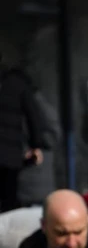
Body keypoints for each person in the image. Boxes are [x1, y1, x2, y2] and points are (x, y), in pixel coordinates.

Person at [0, 56, 49, 212]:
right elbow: (34, 116)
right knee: (9, 198)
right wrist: (37, 145)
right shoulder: (18, 84)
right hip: (9, 154)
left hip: (8, 152)